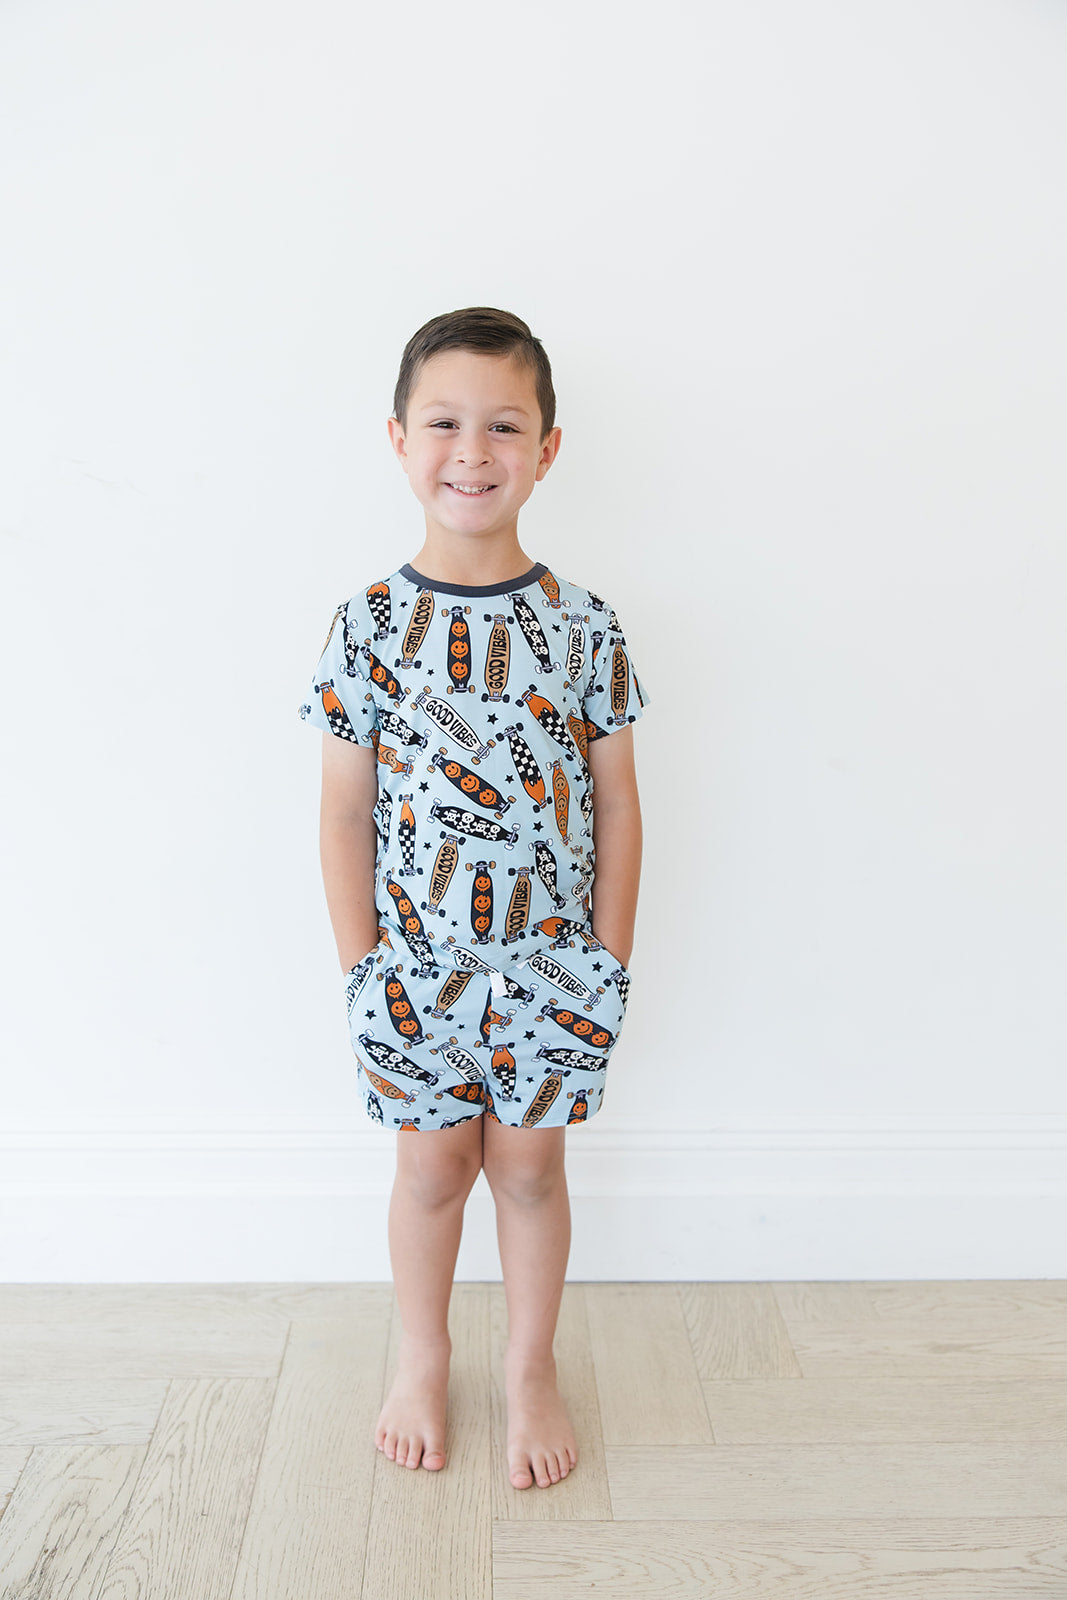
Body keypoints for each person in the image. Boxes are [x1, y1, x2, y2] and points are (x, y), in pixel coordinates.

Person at [297, 306, 649, 1491]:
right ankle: (421, 1357)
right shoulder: (367, 627)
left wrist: (604, 965)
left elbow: (616, 806)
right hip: (413, 975)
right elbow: (343, 813)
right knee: (431, 1169)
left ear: (545, 448)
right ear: (399, 439)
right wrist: (363, 969)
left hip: (554, 974)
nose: (472, 450)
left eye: (503, 425)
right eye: (444, 423)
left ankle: (529, 1365)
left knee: (532, 1171)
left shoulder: (584, 626)